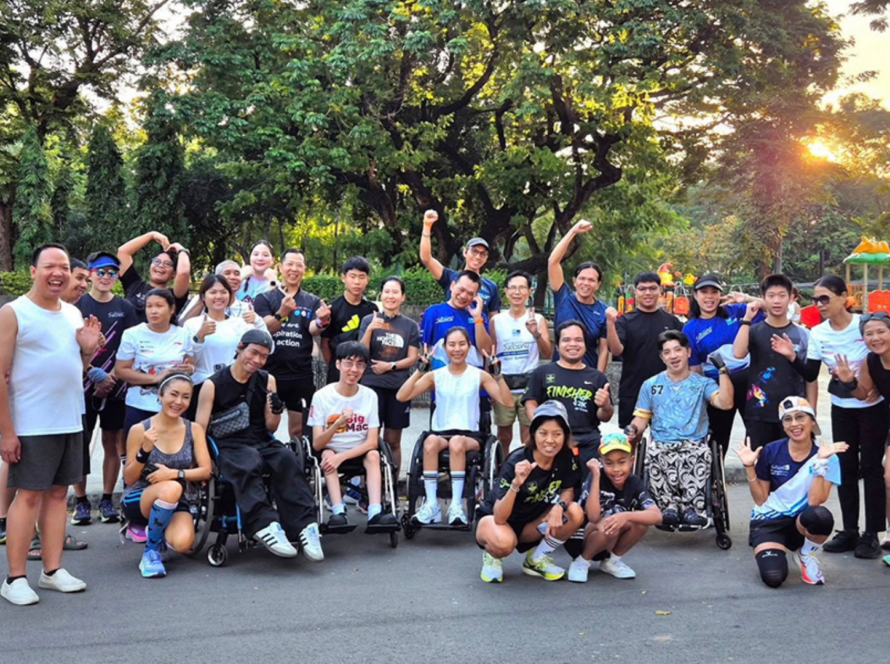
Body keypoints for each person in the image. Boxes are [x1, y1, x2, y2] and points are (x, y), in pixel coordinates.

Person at [0, 243, 101, 606]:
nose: (57, 273)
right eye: (49, 267)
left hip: (69, 418)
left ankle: (52, 570)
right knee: (27, 496)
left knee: (59, 494)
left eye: (63, 266)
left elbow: (77, 369)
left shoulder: (74, 314)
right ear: (32, 271)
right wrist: (7, 431)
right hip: (31, 422)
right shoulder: (14, 313)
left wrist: (88, 350)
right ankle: (14, 578)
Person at [771, 275, 888, 559]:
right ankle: (849, 531)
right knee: (845, 468)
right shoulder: (818, 333)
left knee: (871, 469)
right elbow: (811, 373)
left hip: (873, 407)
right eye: (815, 299)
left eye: (825, 298)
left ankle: (872, 534)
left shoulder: (864, 326)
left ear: (844, 297)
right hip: (842, 408)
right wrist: (791, 356)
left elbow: (877, 355)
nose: (819, 304)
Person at [195, 329, 323, 561]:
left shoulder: (267, 379)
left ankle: (306, 526)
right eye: (253, 352)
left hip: (260, 439)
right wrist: (203, 465)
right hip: (228, 444)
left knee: (286, 458)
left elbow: (271, 427)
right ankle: (264, 524)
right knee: (249, 461)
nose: (257, 360)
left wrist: (275, 410)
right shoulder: (213, 385)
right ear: (240, 347)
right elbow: (200, 429)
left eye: (263, 356)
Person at [397, 328, 514, 526]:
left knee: (457, 443)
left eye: (462, 344)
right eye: (452, 344)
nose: (457, 349)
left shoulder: (479, 375)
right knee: (430, 442)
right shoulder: (436, 375)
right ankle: (431, 504)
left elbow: (507, 402)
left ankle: (456, 506)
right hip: (441, 433)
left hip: (469, 435)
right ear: (444, 348)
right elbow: (402, 396)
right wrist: (419, 370)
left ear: (469, 347)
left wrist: (498, 375)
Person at [629, 330, 734, 527]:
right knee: (653, 453)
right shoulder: (651, 385)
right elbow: (641, 419)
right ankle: (667, 507)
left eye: (677, 350)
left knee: (701, 454)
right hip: (661, 442)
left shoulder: (703, 383)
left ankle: (691, 509)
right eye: (667, 352)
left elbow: (725, 403)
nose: (673, 356)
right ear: (662, 357)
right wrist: (632, 431)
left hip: (694, 442)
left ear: (687, 352)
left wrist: (723, 371)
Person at [737, 397, 846, 587]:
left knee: (821, 517)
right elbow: (761, 499)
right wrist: (749, 467)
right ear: (783, 425)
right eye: (788, 419)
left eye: (800, 417)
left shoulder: (829, 457)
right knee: (773, 577)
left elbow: (815, 501)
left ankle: (805, 554)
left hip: (800, 522)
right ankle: (773, 547)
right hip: (768, 521)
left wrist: (820, 463)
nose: (794, 424)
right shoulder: (771, 450)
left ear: (812, 420)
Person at [475, 400, 584, 583]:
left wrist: (559, 505)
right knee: (504, 543)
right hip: (498, 522)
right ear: (533, 434)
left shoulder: (566, 457)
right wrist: (516, 484)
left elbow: (568, 489)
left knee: (574, 512)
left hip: (531, 524)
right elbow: (499, 516)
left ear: (565, 436)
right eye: (543, 433)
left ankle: (536, 559)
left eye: (557, 434)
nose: (550, 440)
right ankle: (492, 556)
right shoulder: (517, 461)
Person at [121, 374, 211, 578]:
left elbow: (206, 470)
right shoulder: (140, 429)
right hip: (140, 497)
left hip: (176, 497)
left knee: (182, 543)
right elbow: (129, 478)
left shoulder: (193, 429)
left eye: (186, 397)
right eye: (174, 394)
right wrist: (144, 450)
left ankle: (159, 534)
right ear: (160, 395)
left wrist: (174, 473)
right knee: (172, 487)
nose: (179, 402)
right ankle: (150, 552)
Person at [73, 251, 139, 525]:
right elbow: (69, 346)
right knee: (80, 444)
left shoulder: (125, 308)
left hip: (116, 386)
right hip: (80, 385)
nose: (106, 277)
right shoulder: (76, 306)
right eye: (100, 271)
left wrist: (110, 377)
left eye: (112, 272)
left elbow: (132, 346)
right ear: (90, 274)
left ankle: (107, 500)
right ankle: (80, 502)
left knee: (112, 443)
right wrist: (92, 373)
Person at [308, 342, 398, 530]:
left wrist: (343, 456)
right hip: (331, 448)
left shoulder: (370, 396)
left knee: (374, 455)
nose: (354, 369)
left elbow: (372, 442)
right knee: (327, 456)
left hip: (360, 449)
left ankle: (375, 511)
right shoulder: (321, 396)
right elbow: (317, 443)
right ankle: (338, 510)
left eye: (360, 364)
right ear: (338, 364)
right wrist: (338, 425)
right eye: (349, 363)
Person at [732, 274, 816, 450]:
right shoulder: (754, 331)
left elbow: (811, 378)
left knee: (794, 468)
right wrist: (747, 319)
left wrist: (811, 413)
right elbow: (738, 353)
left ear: (791, 298)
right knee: (760, 466)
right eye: (771, 296)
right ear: (763, 298)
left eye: (782, 295)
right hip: (759, 412)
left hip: (794, 413)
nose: (776, 301)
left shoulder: (803, 335)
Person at [683, 275, 764, 457]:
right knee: (717, 441)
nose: (709, 297)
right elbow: (695, 369)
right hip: (716, 385)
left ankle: (759, 480)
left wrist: (747, 299)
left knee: (758, 435)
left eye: (714, 292)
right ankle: (715, 482)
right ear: (695, 296)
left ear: (721, 294)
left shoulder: (735, 311)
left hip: (749, 381)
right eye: (704, 292)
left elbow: (778, 309)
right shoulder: (690, 328)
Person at [255, 249, 331, 440]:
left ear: (304, 270)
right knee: (267, 427)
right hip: (271, 374)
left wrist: (322, 321)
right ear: (280, 267)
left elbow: (313, 329)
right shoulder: (264, 298)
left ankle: (299, 464)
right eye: (290, 264)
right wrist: (281, 313)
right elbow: (265, 330)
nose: (294, 269)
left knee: (299, 431)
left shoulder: (311, 300)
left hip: (300, 374)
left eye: (299, 265)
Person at [567, 433, 663, 583]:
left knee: (639, 522)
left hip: (610, 535)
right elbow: (593, 516)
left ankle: (612, 561)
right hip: (582, 538)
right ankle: (581, 561)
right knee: (609, 524)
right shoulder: (595, 477)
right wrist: (596, 476)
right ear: (601, 463)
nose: (616, 469)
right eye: (609, 463)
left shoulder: (634, 482)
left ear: (632, 461)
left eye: (621, 462)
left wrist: (625, 516)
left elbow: (657, 516)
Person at [523, 321, 613, 465]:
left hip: (586, 439)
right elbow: (530, 403)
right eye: (566, 340)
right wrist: (541, 428)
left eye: (578, 340)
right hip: (552, 439)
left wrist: (605, 405)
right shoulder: (542, 373)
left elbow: (605, 416)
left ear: (585, 345)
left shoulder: (597, 377)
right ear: (558, 346)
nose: (573, 344)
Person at [358, 276, 420, 477]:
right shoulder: (369, 320)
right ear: (381, 295)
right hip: (370, 387)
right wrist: (370, 330)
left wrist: (390, 366)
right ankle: (368, 489)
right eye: (386, 291)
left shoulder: (410, 325)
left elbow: (412, 358)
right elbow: (361, 351)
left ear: (403, 297)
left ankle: (392, 483)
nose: (390, 296)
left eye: (395, 292)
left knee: (393, 440)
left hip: (398, 388)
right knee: (370, 440)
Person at [181, 275, 267, 419]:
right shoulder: (191, 324)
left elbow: (266, 345)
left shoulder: (240, 324)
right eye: (213, 292)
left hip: (233, 386)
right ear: (203, 296)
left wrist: (258, 322)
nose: (218, 296)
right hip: (201, 385)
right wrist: (199, 337)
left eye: (223, 292)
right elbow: (188, 361)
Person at [605, 271, 683, 429]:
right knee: (631, 440)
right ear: (635, 291)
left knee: (666, 439)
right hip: (634, 390)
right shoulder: (625, 321)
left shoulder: (672, 321)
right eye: (642, 289)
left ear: (660, 290)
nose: (648, 293)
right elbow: (616, 350)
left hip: (667, 390)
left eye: (652, 288)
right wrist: (610, 324)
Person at [115, 289, 196, 441]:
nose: (153, 311)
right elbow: (121, 371)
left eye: (159, 306)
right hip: (139, 404)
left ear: (172, 309)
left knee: (173, 454)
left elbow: (191, 364)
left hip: (174, 406)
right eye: (149, 306)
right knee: (138, 456)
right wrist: (156, 378)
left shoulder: (183, 334)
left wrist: (189, 369)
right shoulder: (132, 334)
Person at [490, 270, 552, 454]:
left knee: (528, 436)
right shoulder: (496, 320)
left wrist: (536, 333)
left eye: (522, 288)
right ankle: (504, 471)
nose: (517, 292)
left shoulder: (538, 319)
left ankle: (526, 470)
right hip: (504, 384)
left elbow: (547, 352)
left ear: (529, 291)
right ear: (506, 291)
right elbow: (491, 354)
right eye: (513, 288)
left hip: (529, 386)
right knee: (504, 436)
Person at [548, 219, 608, 372]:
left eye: (591, 280)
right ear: (574, 281)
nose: (586, 283)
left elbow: (603, 350)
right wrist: (572, 231)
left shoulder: (603, 311)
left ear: (598, 284)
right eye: (582, 278)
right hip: (559, 372)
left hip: (588, 373)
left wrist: (598, 380)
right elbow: (553, 262)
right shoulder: (563, 298)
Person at [420, 209, 501, 315]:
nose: (478, 256)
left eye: (482, 254)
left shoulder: (491, 286)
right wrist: (427, 225)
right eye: (474, 251)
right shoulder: (450, 276)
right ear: (465, 252)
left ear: (486, 258)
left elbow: (492, 319)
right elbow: (426, 258)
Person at [321, 257, 378, 384]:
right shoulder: (332, 308)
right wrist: (335, 365)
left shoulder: (372, 309)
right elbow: (325, 343)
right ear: (343, 278)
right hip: (337, 371)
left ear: (367, 280)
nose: (357, 282)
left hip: (363, 371)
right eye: (352, 276)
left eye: (361, 277)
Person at [117, 230, 191, 322]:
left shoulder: (174, 296)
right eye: (157, 261)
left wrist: (181, 250)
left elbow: (183, 273)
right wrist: (152, 235)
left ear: (173, 274)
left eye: (167, 264)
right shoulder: (134, 284)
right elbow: (123, 252)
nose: (160, 265)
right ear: (150, 267)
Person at [420, 269, 491, 359]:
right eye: (461, 290)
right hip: (442, 370)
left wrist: (477, 318)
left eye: (470, 293)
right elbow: (424, 347)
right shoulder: (433, 312)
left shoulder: (480, 317)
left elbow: (486, 351)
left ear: (475, 296)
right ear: (452, 286)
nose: (463, 296)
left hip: (472, 371)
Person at [179, 259, 252, 323]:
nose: (233, 277)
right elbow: (183, 325)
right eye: (227, 273)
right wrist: (203, 301)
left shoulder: (246, 307)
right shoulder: (200, 300)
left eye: (237, 274)